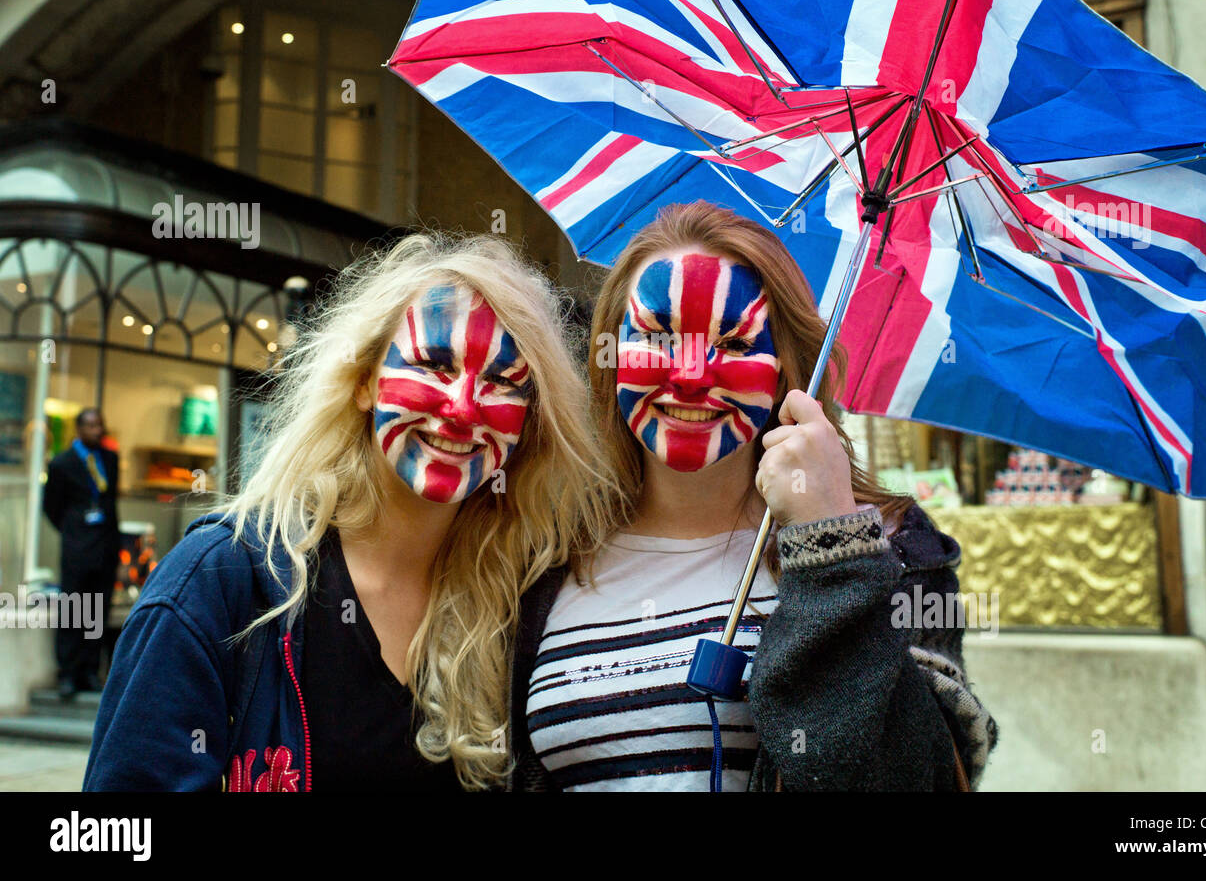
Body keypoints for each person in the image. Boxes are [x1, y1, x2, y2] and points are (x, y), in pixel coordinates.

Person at [84, 233, 615, 791]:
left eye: (502, 381)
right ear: (364, 382)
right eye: (434, 364)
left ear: (529, 419)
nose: (463, 408)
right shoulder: (219, 578)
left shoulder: (522, 601)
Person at [511, 201, 997, 791]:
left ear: (785, 369)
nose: (690, 375)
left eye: (734, 343)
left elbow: (912, 779)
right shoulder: (549, 552)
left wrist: (831, 545)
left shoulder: (892, 548)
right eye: (658, 336)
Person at [42, 407, 120, 700]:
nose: (97, 431)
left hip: (105, 547)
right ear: (79, 428)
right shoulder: (62, 463)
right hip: (77, 547)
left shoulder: (110, 458)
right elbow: (51, 507)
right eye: (91, 426)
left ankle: (89, 670)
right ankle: (68, 673)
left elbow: (110, 501)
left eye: (100, 425)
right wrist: (73, 530)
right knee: (73, 608)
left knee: (97, 610)